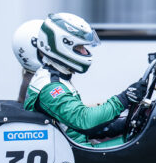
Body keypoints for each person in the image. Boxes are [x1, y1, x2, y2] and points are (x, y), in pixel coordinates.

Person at [11, 13, 147, 148]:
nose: (84, 52)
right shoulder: (50, 87)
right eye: (79, 47)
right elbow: (84, 120)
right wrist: (124, 98)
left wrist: (126, 123)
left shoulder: (57, 77)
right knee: (146, 146)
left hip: (76, 147)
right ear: (62, 47)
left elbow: (77, 127)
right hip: (72, 155)